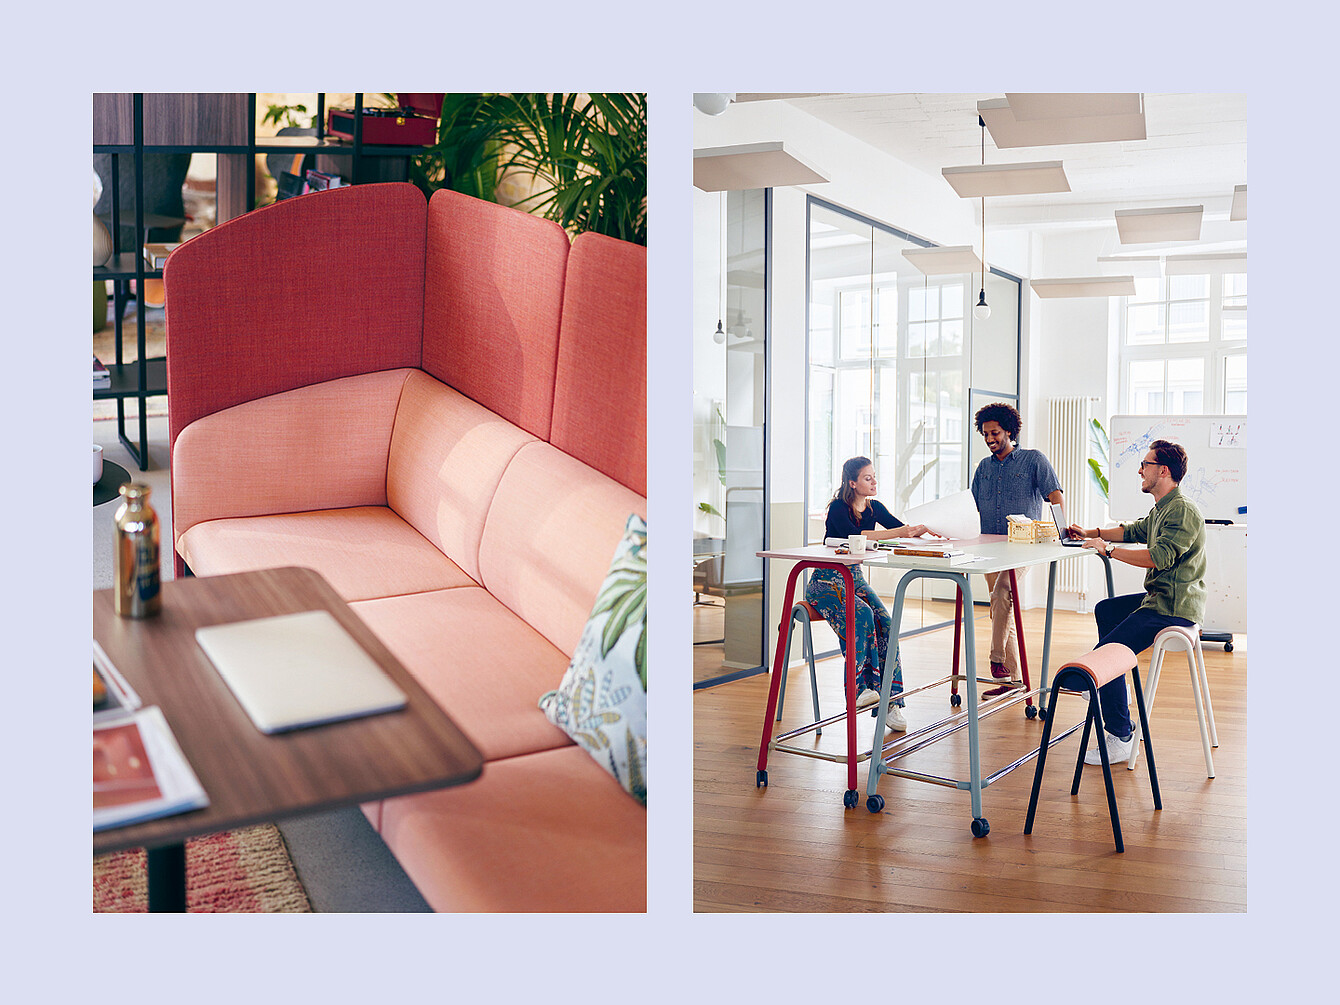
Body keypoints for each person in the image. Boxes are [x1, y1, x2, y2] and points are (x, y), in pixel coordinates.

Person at [1067, 438, 1206, 764]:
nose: (1140, 469)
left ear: (1164, 470)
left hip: (1173, 608)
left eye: (1146, 464)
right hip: (1160, 599)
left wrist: (1109, 551)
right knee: (1107, 610)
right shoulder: (1163, 507)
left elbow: (1158, 557)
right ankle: (1113, 685)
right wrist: (1089, 533)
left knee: (1107, 654)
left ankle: (1121, 735)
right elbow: (1134, 530)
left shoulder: (1182, 511)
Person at [806, 456, 936, 732]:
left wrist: (926, 531)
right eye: (868, 478)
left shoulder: (874, 507)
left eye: (874, 477)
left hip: (854, 579)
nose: (874, 482)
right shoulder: (838, 509)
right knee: (862, 615)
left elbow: (899, 528)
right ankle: (859, 689)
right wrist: (898, 532)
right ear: (852, 483)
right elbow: (858, 536)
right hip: (827, 583)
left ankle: (890, 701)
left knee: (886, 622)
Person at [969, 402, 1064, 698]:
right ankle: (1013, 682)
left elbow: (1055, 495)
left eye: (994, 433)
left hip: (1022, 546)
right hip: (988, 547)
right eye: (985, 434)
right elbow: (971, 505)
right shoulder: (984, 467)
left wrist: (1064, 531)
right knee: (1002, 607)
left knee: (1001, 594)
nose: (989, 439)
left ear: (1009, 431)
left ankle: (996, 660)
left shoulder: (1034, 460)